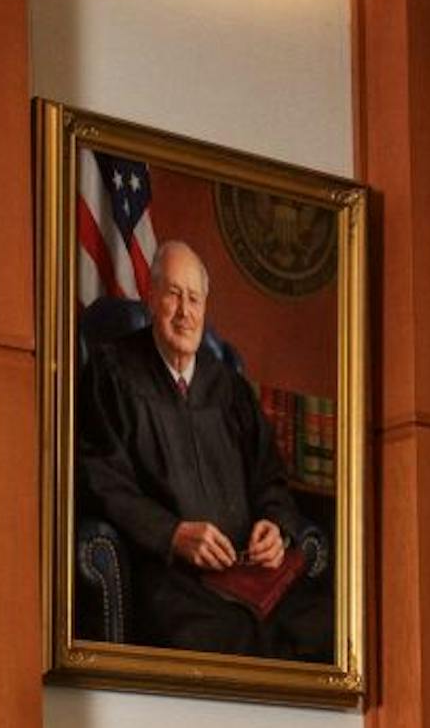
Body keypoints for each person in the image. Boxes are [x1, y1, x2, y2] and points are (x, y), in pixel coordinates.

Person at [76, 240, 332, 658]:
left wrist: (275, 524)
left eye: (194, 298)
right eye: (174, 294)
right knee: (210, 640)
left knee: (325, 629)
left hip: (248, 572)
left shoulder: (229, 387)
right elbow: (102, 481)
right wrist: (173, 535)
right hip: (173, 575)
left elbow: (269, 475)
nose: (185, 312)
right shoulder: (113, 372)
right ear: (151, 295)